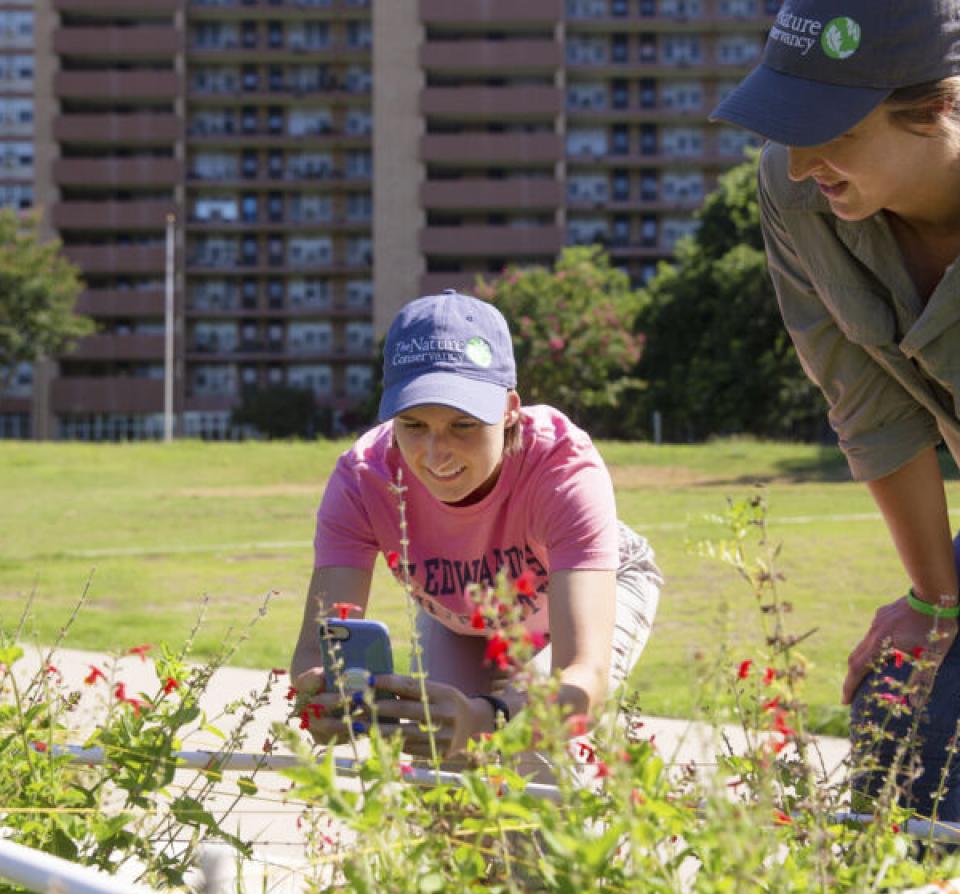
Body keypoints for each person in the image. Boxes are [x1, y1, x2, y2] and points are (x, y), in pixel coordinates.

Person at [711, 0, 960, 816]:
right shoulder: (795, 193)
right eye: (787, 121)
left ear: (937, 106)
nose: (799, 160)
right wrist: (936, 599)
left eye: (834, 130)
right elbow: (867, 405)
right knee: (905, 703)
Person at [290, 289, 661, 763]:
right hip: (462, 617)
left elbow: (582, 677)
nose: (433, 453)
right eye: (413, 425)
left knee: (544, 757)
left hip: (597, 586)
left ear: (509, 410)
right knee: (441, 764)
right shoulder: (364, 480)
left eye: (463, 425)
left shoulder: (563, 471)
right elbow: (313, 654)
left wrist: (489, 717)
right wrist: (321, 696)